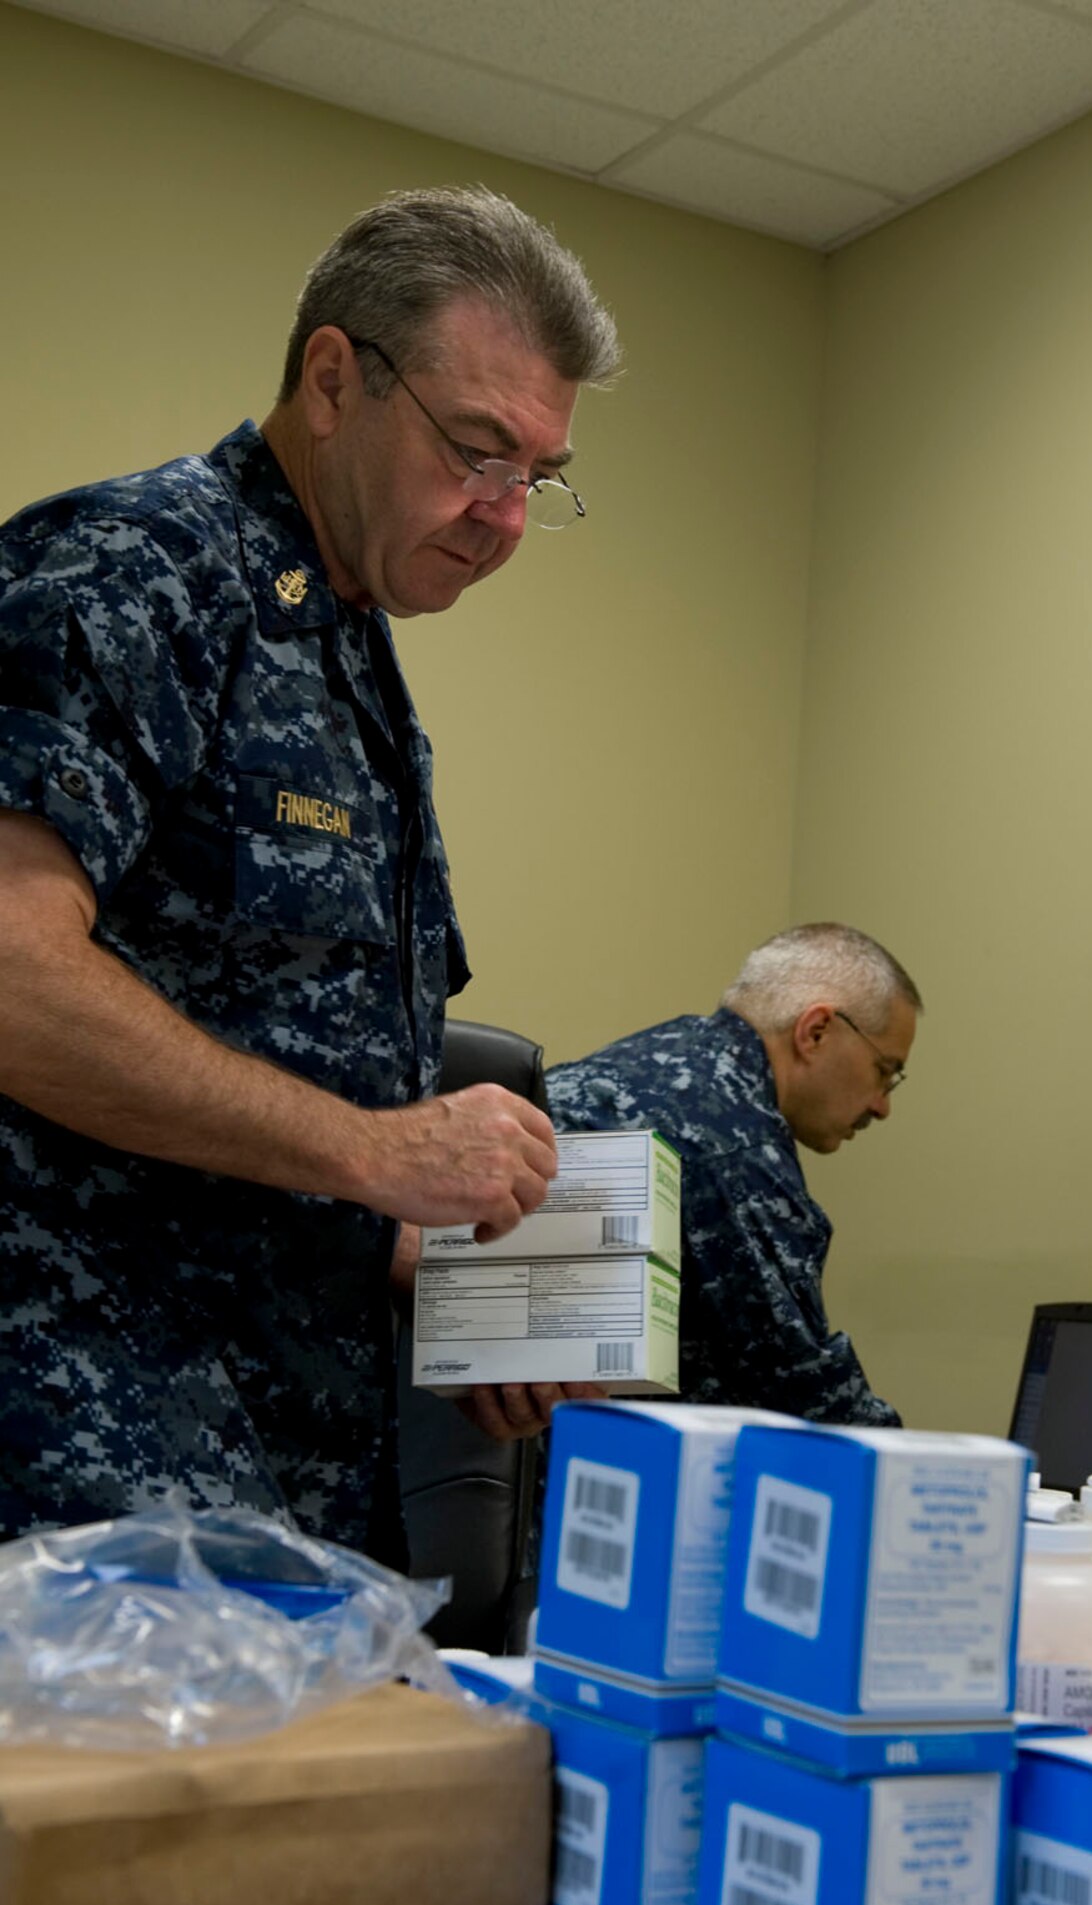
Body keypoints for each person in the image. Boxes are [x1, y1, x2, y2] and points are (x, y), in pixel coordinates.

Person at [0, 186, 620, 1553]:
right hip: (85, 1438)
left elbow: (268, 1079)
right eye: (476, 451)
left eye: (536, 478)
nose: (502, 517)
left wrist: (434, 1261)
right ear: (335, 379)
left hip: (290, 1443)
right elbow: (11, 976)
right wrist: (380, 1154)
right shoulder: (135, 570)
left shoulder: (353, 665)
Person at [545, 924, 921, 1423]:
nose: (882, 1106)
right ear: (815, 1032)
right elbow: (802, 1393)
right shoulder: (733, 1145)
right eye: (884, 1071)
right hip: (568, 1475)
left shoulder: (639, 1067)